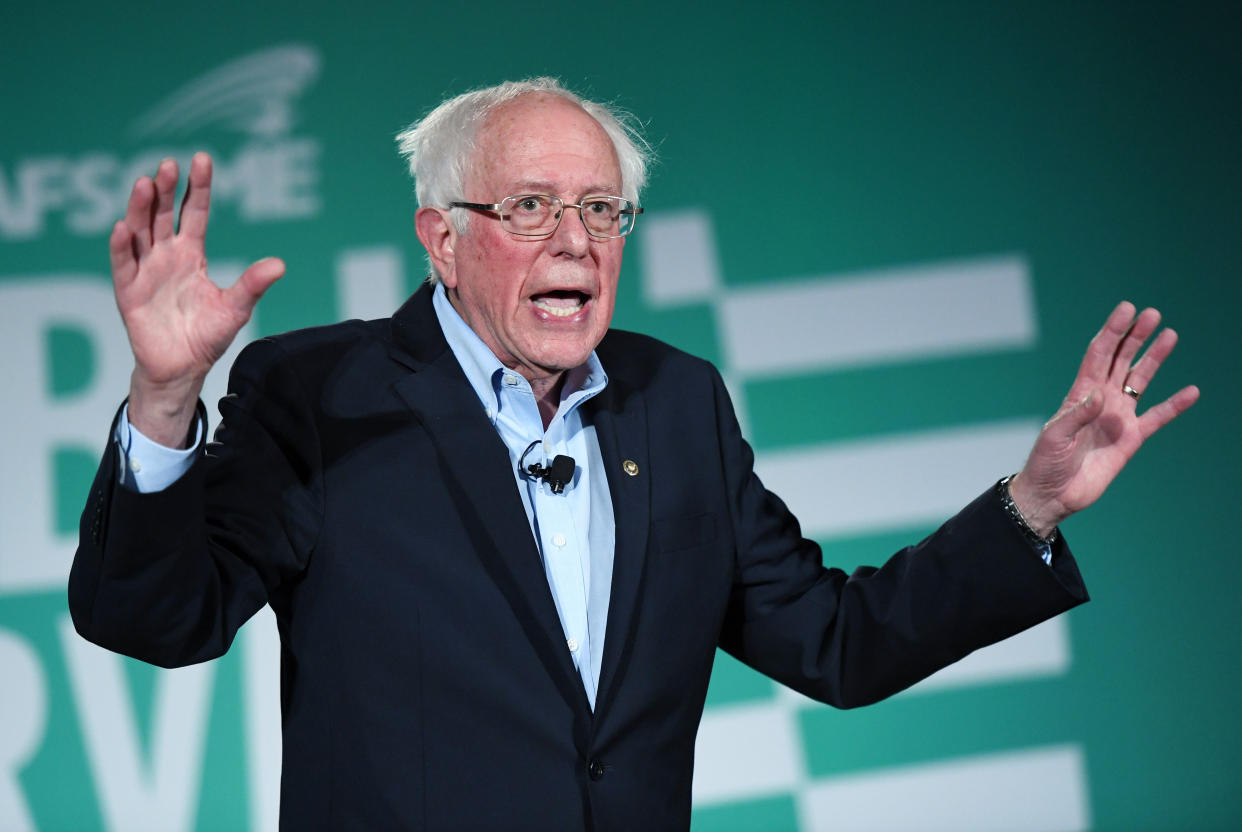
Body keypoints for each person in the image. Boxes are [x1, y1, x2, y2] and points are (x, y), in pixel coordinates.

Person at [69, 78, 1198, 830]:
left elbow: (839, 644)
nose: (575, 241)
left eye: (604, 210)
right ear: (441, 238)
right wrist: (166, 399)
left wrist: (1033, 504)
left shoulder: (677, 404)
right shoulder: (325, 393)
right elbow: (158, 620)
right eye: (531, 206)